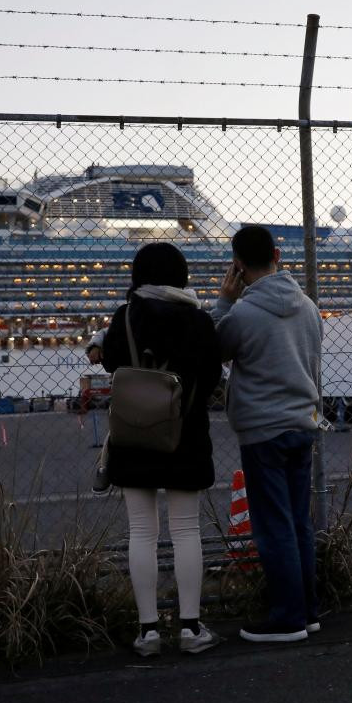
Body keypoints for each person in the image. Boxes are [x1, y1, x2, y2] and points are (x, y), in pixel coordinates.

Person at [102, 242, 223, 656]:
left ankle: (148, 631)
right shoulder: (200, 321)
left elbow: (110, 364)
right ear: (182, 274)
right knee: (187, 530)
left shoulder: (126, 317)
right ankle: (190, 628)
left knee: (142, 531)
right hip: (184, 436)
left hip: (134, 434)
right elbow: (210, 377)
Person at [211, 225, 323, 643]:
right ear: (278, 253)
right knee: (298, 524)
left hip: (263, 431)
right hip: (302, 425)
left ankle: (287, 618)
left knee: (273, 526)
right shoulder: (309, 307)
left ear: (237, 264)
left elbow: (213, 349)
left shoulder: (243, 313)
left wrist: (224, 298)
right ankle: (307, 611)